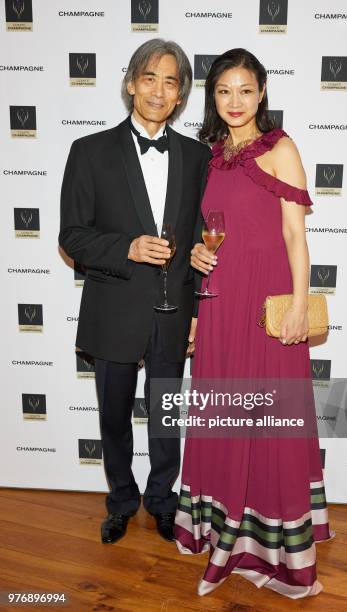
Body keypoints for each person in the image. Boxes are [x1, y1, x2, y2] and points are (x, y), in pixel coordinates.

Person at [174, 49, 334, 599]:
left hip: (267, 304)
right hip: (219, 300)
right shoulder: (210, 157)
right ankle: (222, 527)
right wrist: (197, 262)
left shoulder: (281, 148)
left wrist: (297, 301)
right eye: (224, 91)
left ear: (261, 93)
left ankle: (272, 542)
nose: (235, 101)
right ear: (212, 97)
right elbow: (212, 234)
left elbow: (295, 235)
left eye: (245, 90)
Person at [59, 39, 210, 544]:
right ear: (130, 84)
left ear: (181, 96)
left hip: (174, 310)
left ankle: (164, 501)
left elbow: (200, 238)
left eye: (171, 82)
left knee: (166, 416)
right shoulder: (89, 151)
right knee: (113, 415)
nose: (158, 90)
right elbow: (72, 236)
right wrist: (127, 248)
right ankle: (121, 501)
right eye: (150, 78)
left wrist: (197, 308)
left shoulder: (197, 157)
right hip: (114, 308)